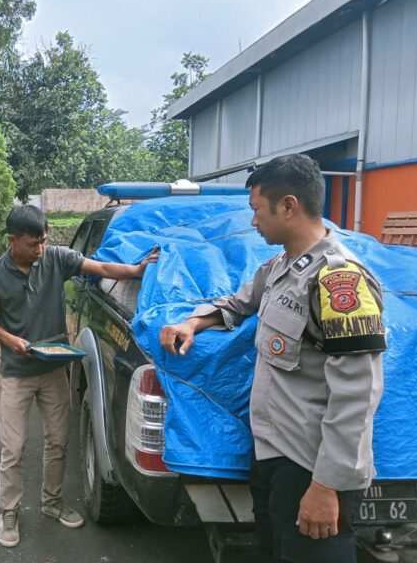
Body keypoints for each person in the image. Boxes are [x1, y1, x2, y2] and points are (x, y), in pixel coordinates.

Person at [159, 154, 386, 563]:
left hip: (310, 469)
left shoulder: (339, 282)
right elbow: (238, 302)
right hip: (272, 457)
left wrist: (326, 486)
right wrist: (193, 323)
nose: (252, 221)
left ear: (288, 206)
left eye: (256, 210)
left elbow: (358, 394)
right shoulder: (282, 267)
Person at [0, 204, 159, 548]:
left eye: (44, 241)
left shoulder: (56, 259)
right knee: (13, 449)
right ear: (12, 240)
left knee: (57, 441)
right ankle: (9, 511)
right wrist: (9, 339)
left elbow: (101, 266)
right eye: (33, 244)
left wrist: (136, 270)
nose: (40, 249)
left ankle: (52, 502)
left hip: (53, 368)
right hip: (16, 373)